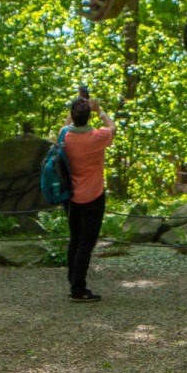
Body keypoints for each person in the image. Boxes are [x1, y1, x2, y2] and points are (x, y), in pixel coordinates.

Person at [59, 94, 114, 302]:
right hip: (93, 195)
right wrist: (99, 110)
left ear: (72, 116)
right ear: (89, 117)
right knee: (86, 243)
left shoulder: (65, 135)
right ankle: (78, 289)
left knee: (75, 239)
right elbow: (112, 127)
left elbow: (65, 126)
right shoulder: (97, 137)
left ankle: (73, 281)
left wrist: (75, 108)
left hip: (71, 195)